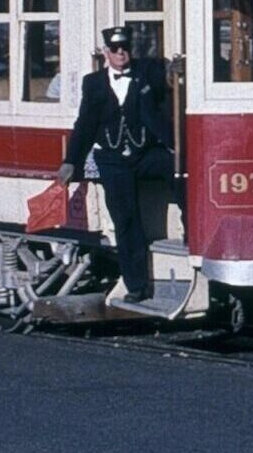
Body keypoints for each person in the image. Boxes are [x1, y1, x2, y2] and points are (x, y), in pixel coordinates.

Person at [56, 26, 184, 304]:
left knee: (178, 170)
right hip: (112, 159)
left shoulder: (146, 72)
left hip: (143, 153)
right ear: (106, 53)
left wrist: (175, 145)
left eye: (125, 47)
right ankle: (136, 286)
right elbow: (85, 124)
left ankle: (190, 230)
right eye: (115, 49)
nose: (121, 53)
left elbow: (169, 82)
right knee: (126, 220)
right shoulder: (93, 83)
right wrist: (71, 162)